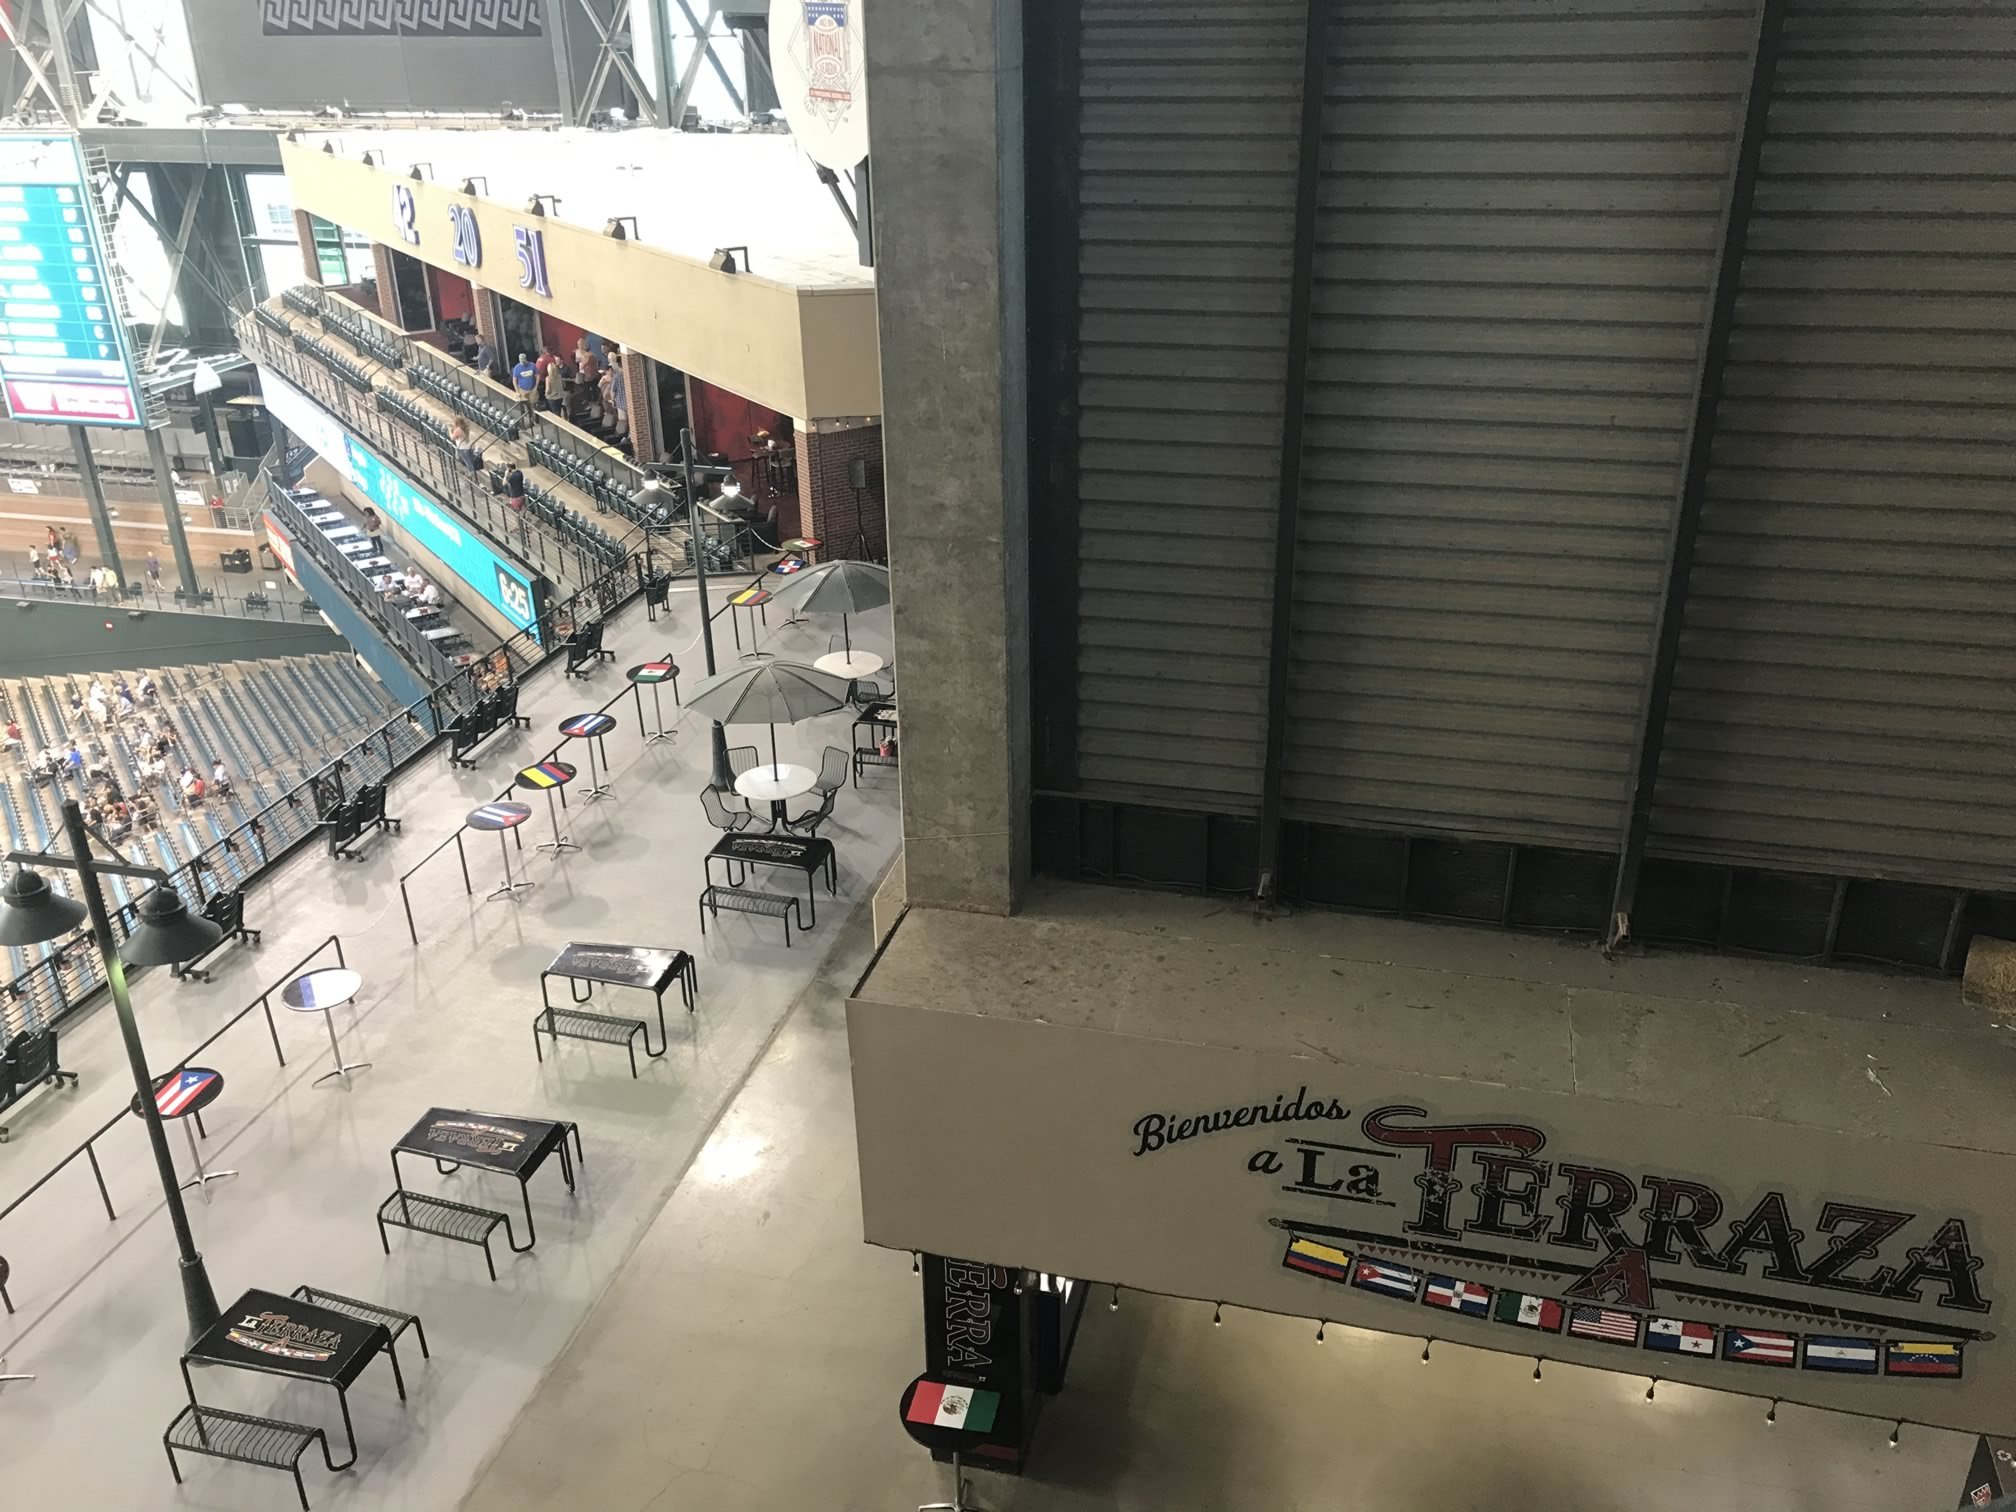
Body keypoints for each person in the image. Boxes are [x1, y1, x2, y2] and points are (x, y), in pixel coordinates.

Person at [511, 352, 539, 423]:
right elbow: (514, 380)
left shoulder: (532, 365)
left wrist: (536, 386)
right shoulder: (517, 368)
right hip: (523, 390)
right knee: (526, 407)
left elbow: (537, 375)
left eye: (523, 361)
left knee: (533, 405)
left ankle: (535, 420)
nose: (523, 363)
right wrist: (517, 391)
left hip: (532, 389)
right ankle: (530, 420)